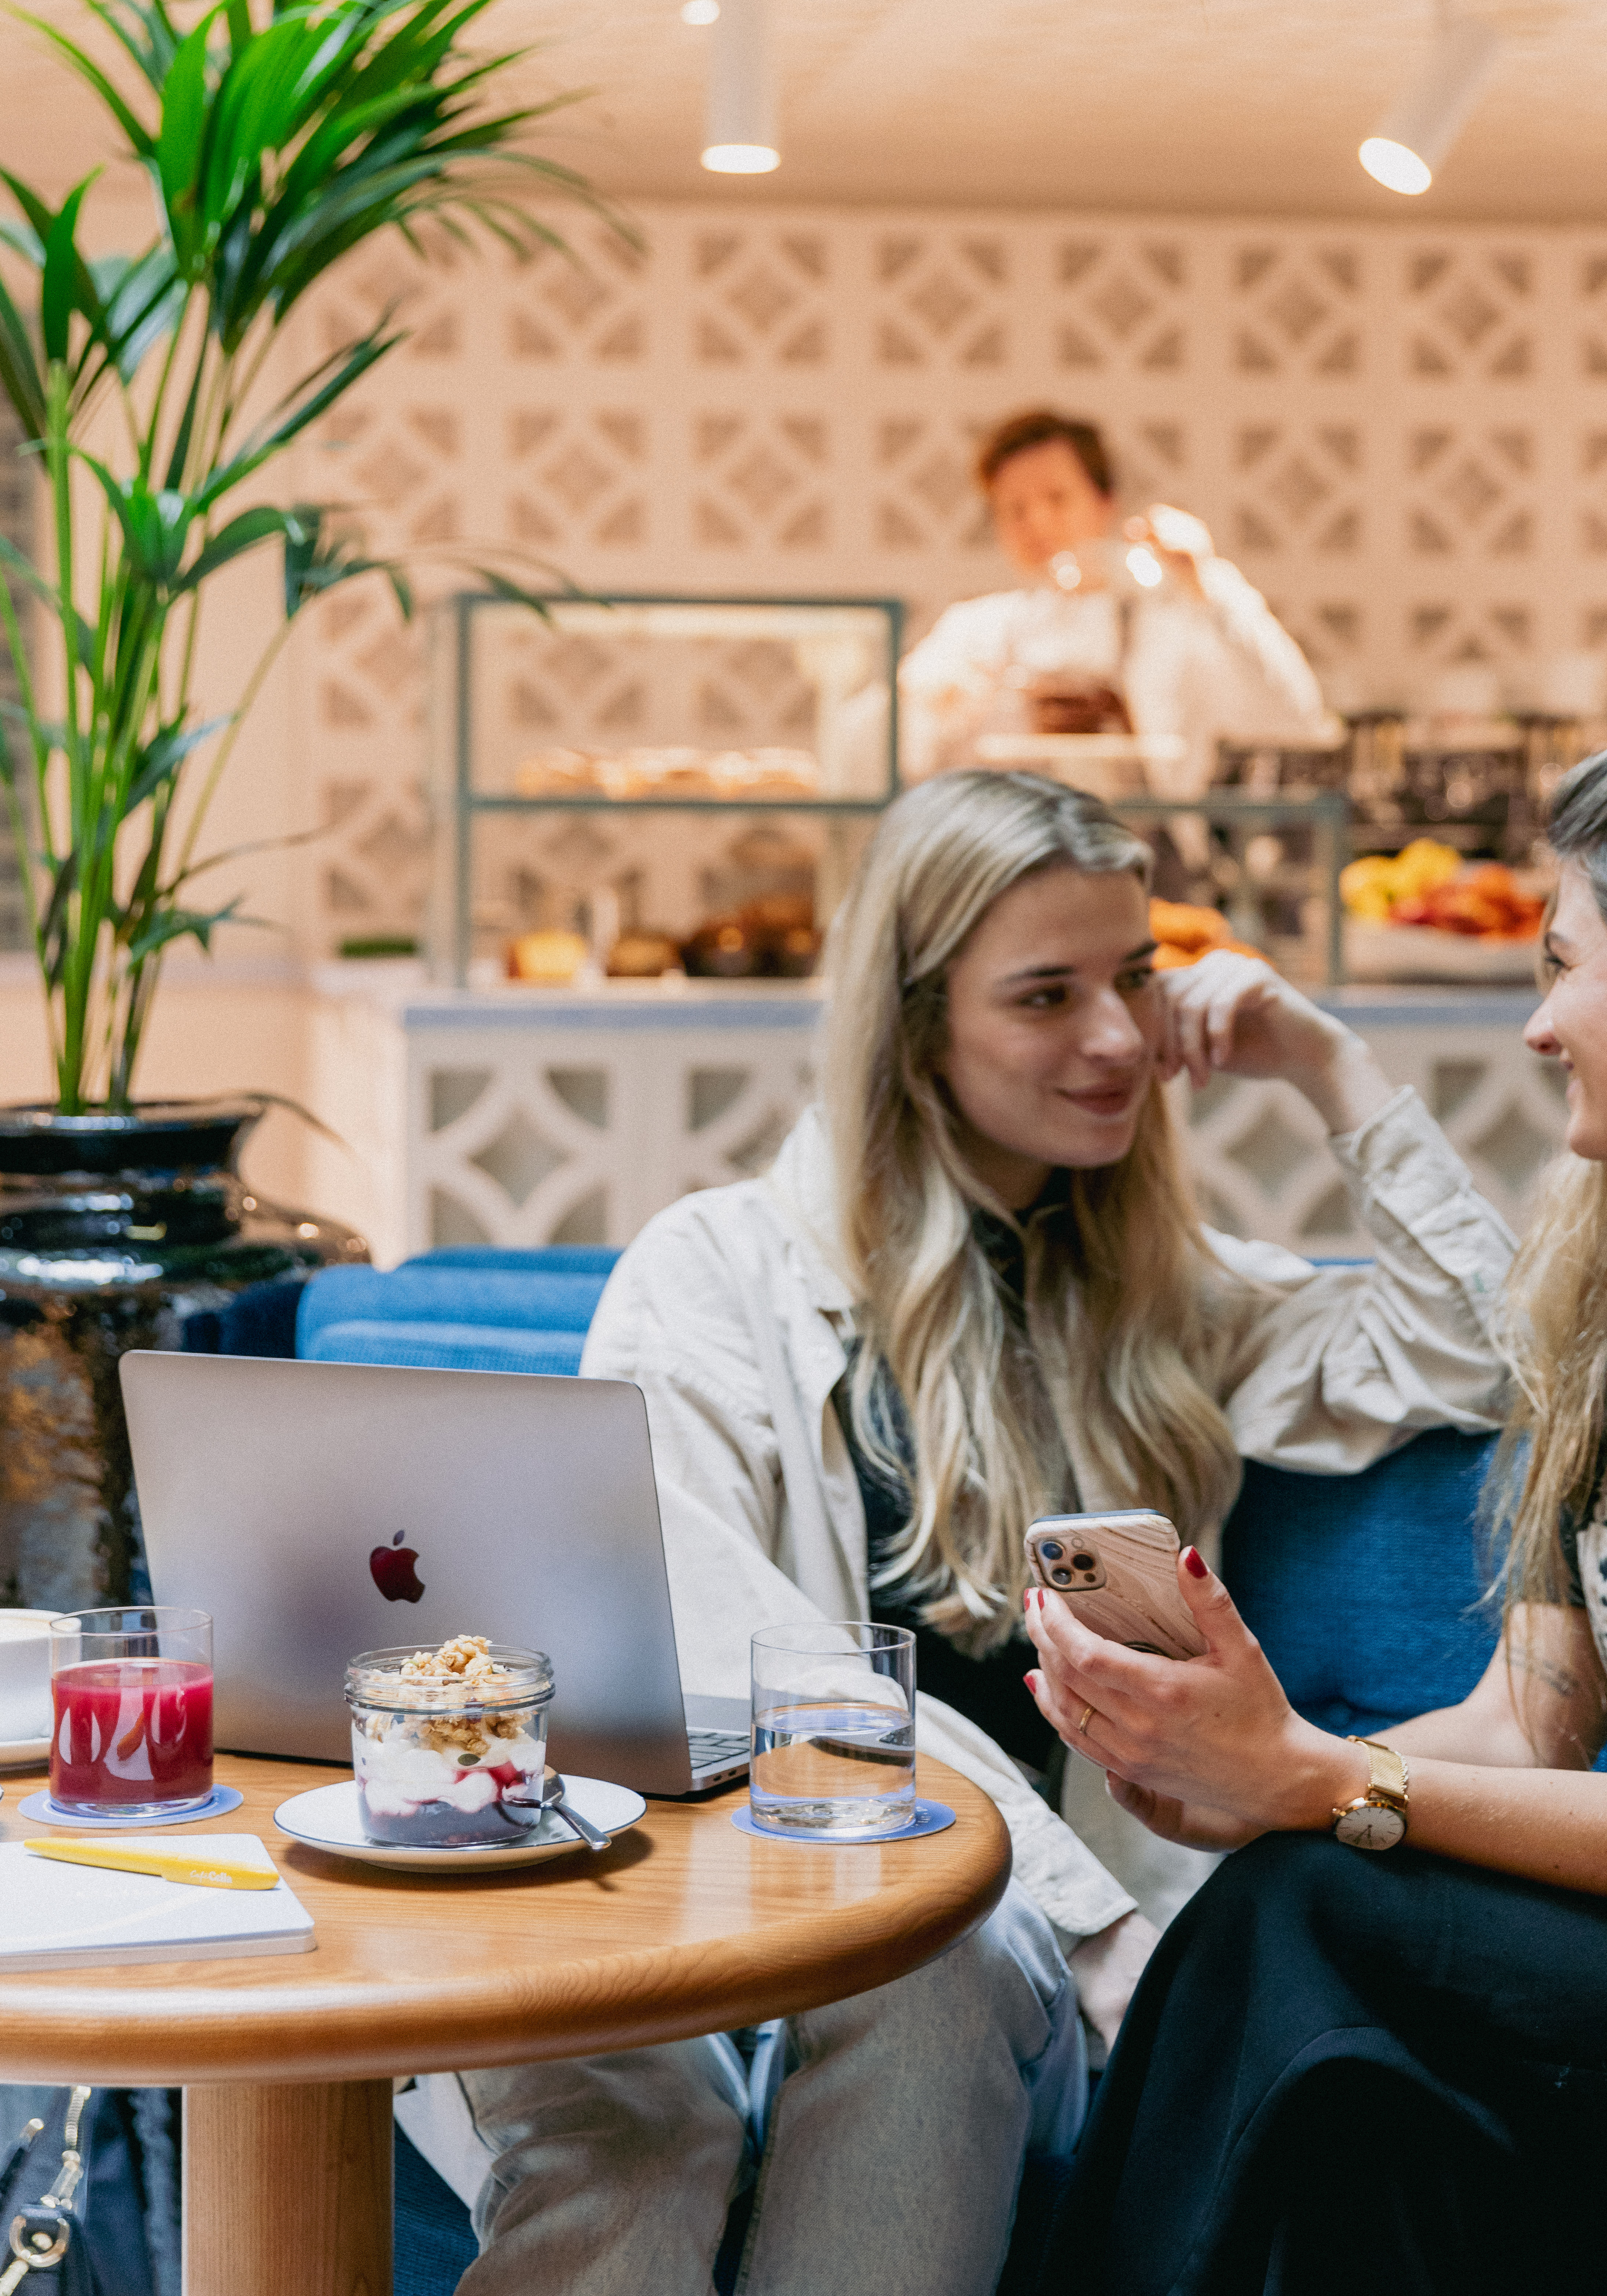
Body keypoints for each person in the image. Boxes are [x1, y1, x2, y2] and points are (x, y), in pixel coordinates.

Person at [444, 767, 1519, 2296]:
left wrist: (1331, 1063)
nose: (1114, 1038)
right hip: (752, 1923)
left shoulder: (1164, 1297)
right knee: (678, 2066)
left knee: (931, 1946)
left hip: (997, 1979)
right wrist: (1075, 1918)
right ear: (916, 1018)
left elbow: (1472, 1356)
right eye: (1044, 993)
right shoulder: (711, 1277)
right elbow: (740, 1653)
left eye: (1133, 980)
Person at [1023, 729, 1607, 2296]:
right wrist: (1243, 1778)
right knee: (1347, 2093)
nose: (1532, 1027)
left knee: (1318, 1891)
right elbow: (1526, 1726)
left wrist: (1311, 1779)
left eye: (1558, 965)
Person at [898, 408, 1330, 795]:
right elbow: (890, 753)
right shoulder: (975, 632)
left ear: (1105, 501)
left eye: (1057, 498)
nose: (1038, 522)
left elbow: (1296, 720)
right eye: (1015, 509)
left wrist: (1208, 582)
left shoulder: (1175, 623)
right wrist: (971, 711)